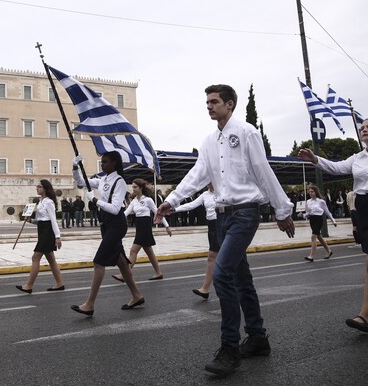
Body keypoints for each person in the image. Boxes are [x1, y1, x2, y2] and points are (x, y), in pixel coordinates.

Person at [155, 84, 295, 376]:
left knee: (221, 273)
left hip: (245, 213)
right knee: (242, 278)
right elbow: (198, 173)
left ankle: (230, 348)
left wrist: (282, 210)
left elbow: (262, 170)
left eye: (214, 101)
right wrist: (172, 200)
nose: (209, 106)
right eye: (207, 101)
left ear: (229, 104)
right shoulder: (208, 140)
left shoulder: (246, 132)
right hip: (221, 217)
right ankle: (257, 338)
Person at [298, 119, 368, 333]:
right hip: (364, 204)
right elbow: (336, 167)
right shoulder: (358, 158)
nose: (364, 129)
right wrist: (315, 159)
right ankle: (364, 316)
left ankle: (364, 315)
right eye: (362, 127)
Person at [71, 151, 144, 317]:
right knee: (122, 262)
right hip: (106, 224)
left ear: (114, 163)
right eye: (101, 161)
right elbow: (81, 181)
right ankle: (137, 295)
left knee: (99, 262)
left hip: (117, 224)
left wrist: (94, 200)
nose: (102, 164)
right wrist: (75, 166)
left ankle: (89, 304)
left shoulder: (119, 182)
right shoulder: (103, 179)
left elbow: (115, 208)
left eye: (105, 162)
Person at [112, 178, 171, 283]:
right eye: (132, 187)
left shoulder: (148, 200)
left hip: (145, 227)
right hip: (139, 227)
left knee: (133, 251)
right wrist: (115, 220)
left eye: (135, 187)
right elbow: (126, 213)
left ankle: (124, 274)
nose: (133, 189)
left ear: (141, 188)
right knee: (149, 251)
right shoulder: (134, 201)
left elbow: (158, 212)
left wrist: (167, 226)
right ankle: (159, 272)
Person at [16, 179, 64, 293]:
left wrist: (57, 237)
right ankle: (60, 284)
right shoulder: (40, 202)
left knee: (35, 257)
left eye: (39, 187)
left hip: (48, 232)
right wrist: (30, 220)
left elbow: (53, 220)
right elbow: (40, 221)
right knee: (51, 259)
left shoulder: (49, 202)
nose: (37, 188)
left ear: (45, 189)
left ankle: (29, 286)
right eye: (37, 187)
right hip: (42, 230)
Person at [174, 183, 218, 300]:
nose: (207, 181)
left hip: (222, 224)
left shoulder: (223, 191)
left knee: (216, 257)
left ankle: (208, 288)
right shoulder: (204, 195)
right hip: (212, 227)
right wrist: (174, 209)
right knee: (212, 257)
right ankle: (205, 289)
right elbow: (191, 205)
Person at [301, 185, 336, 262]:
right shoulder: (308, 202)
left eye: (312, 191)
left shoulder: (321, 201)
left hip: (319, 219)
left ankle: (311, 256)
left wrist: (333, 221)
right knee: (318, 236)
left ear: (316, 192)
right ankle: (329, 251)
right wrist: (302, 215)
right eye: (309, 192)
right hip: (312, 219)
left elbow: (327, 212)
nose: (310, 193)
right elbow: (308, 213)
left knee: (313, 237)